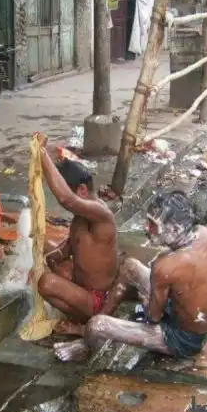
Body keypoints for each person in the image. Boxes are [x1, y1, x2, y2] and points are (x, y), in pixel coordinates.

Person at [53, 190, 207, 362]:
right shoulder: (204, 233)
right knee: (130, 266)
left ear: (174, 228)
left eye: (152, 224)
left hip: (182, 339)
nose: (146, 227)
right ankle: (105, 312)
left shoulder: (164, 266)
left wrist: (146, 301)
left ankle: (85, 347)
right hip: (198, 318)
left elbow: (154, 317)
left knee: (97, 325)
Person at [36, 135, 120, 336]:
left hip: (99, 300)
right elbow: (72, 245)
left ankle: (84, 326)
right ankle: (79, 313)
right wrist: (52, 257)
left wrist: (42, 153)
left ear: (81, 190)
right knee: (49, 254)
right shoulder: (81, 217)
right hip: (84, 288)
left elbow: (66, 199)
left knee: (46, 283)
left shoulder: (101, 214)